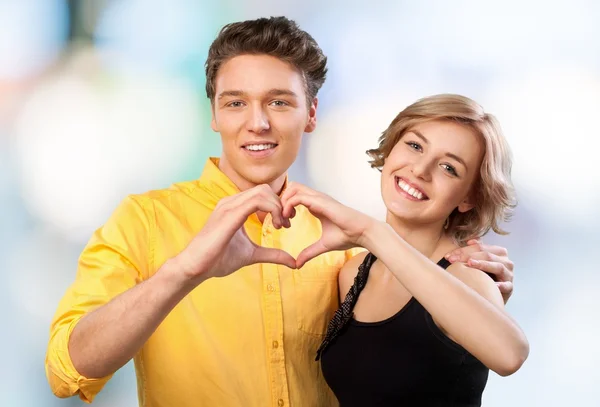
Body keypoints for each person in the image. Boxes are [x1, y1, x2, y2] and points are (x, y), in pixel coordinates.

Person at [45, 17, 516, 407]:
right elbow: (67, 371)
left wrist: (468, 294)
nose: (258, 122)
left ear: (311, 114)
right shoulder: (143, 221)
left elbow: (404, 355)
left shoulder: (340, 238)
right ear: (214, 113)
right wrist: (183, 272)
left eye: (279, 101)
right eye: (236, 103)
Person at [278, 94, 529, 406]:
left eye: (449, 167)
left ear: (468, 198)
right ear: (392, 147)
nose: (420, 170)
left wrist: (372, 232)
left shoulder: (470, 276)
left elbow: (511, 354)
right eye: (415, 145)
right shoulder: (354, 273)